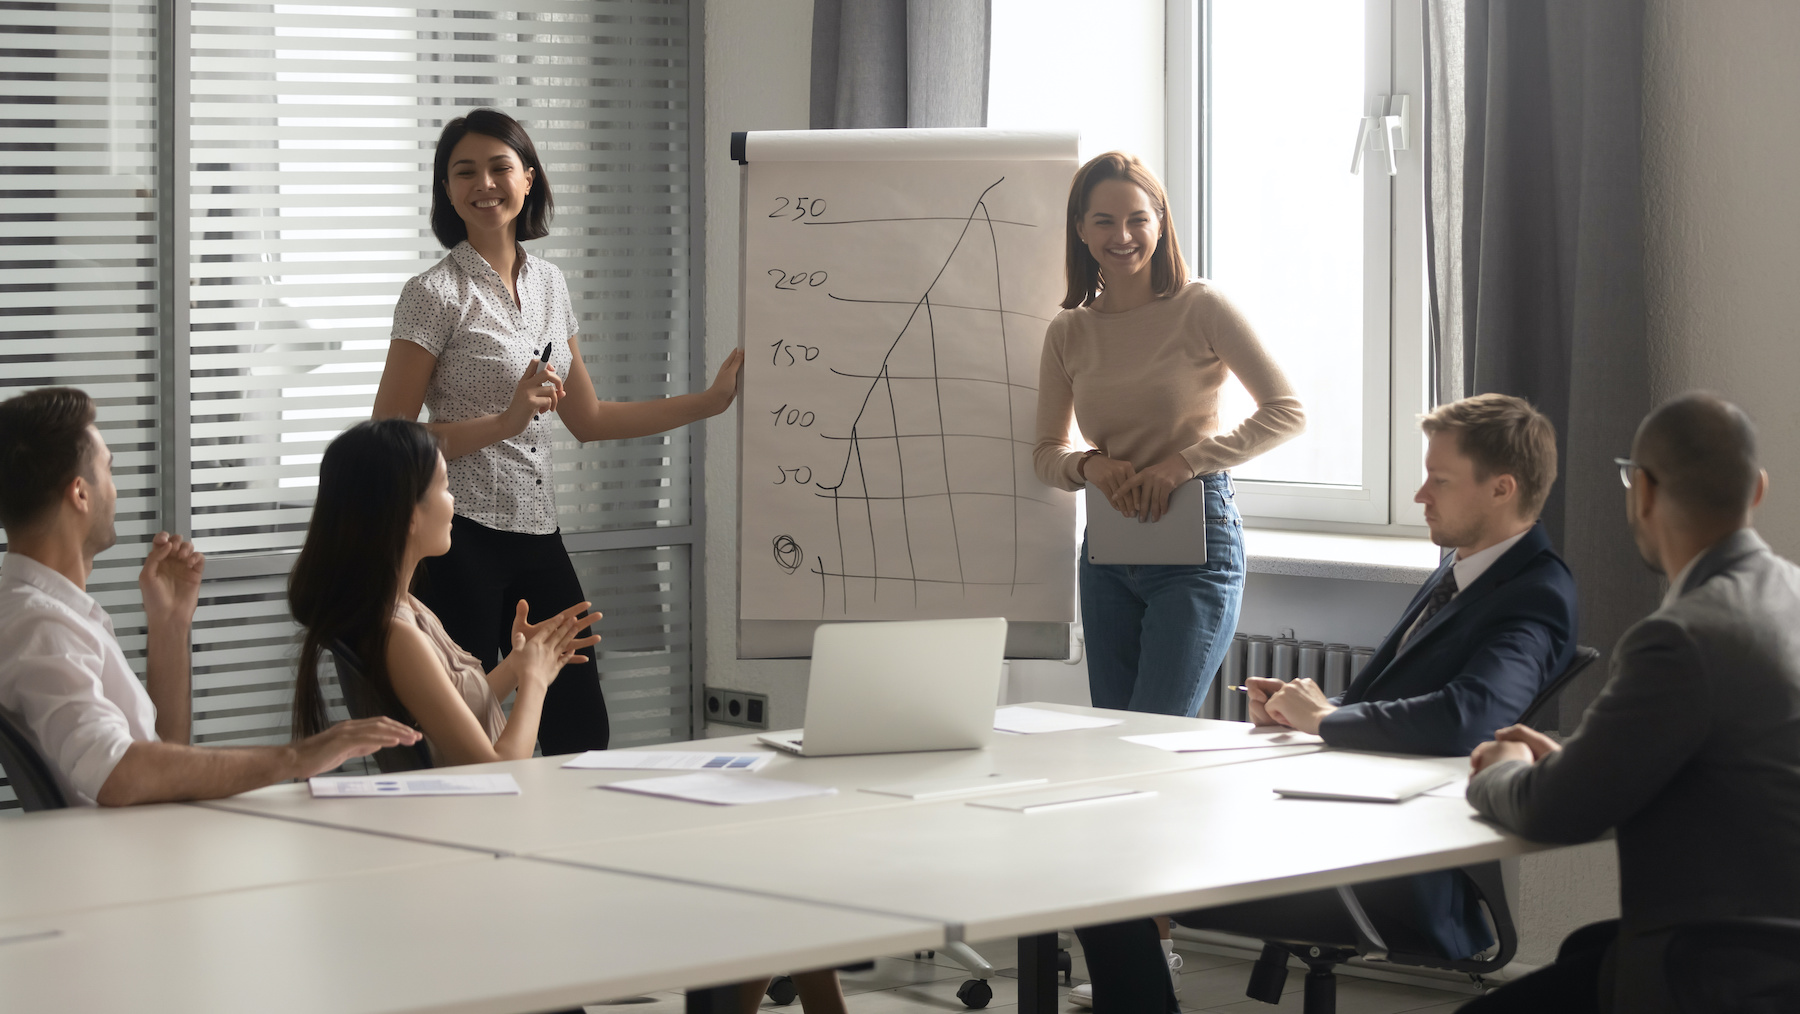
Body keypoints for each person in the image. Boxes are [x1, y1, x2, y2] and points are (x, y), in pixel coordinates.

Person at [1072, 393, 1578, 1012]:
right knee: (1105, 840)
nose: (1421, 495)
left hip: (1380, 860)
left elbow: (1469, 718)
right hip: (1337, 821)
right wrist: (1305, 706)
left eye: (1439, 481)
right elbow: (1405, 697)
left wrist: (1330, 720)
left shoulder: (1534, 594)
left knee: (1103, 858)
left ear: (1502, 489)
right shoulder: (1465, 567)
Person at [372, 108, 744, 756]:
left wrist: (709, 403)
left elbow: (591, 419)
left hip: (539, 534)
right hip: (459, 539)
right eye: (464, 172)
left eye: (498, 167)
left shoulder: (551, 284)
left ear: (528, 179)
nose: (483, 183)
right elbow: (389, 441)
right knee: (463, 733)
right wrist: (507, 422)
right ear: (446, 190)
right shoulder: (434, 294)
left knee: (580, 727)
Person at [1462, 392, 1800, 1014]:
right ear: (1757, 489)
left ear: (1641, 490)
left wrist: (1503, 766)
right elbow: (1732, 765)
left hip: (1725, 972)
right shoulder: (1790, 596)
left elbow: (1558, 814)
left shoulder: (1682, 635)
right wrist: (1578, 758)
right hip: (1776, 947)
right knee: (1584, 950)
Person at [0, 388, 420, 807]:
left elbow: (162, 757)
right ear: (80, 493)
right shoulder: (42, 627)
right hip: (123, 860)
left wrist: (170, 626)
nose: (115, 489)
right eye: (108, 470)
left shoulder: (48, 612)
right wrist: (298, 756)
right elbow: (118, 774)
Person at [1033, 151, 1305, 720]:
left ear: (1161, 221)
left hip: (1197, 541)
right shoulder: (1069, 331)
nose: (1123, 235)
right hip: (1108, 550)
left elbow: (1286, 411)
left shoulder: (1200, 306)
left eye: (1137, 218)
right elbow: (1046, 453)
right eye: (1103, 220)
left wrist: (1184, 463)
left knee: (1157, 730)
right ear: (1080, 229)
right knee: (1111, 732)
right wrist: (1088, 466)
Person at [289, 419, 598, 766]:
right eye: (446, 487)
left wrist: (518, 663)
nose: (454, 502)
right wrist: (535, 681)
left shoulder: (405, 607)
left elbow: (455, 712)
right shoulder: (397, 635)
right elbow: (495, 769)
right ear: (408, 513)